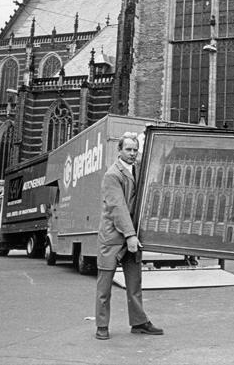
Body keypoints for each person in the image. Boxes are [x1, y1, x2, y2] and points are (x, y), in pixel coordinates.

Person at [94, 132, 163, 340]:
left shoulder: (138, 169)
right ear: (119, 151)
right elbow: (118, 208)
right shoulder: (112, 175)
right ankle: (102, 326)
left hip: (132, 236)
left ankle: (139, 322)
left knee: (134, 283)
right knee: (104, 286)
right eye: (128, 150)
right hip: (113, 238)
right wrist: (131, 235)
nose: (133, 153)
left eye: (135, 150)